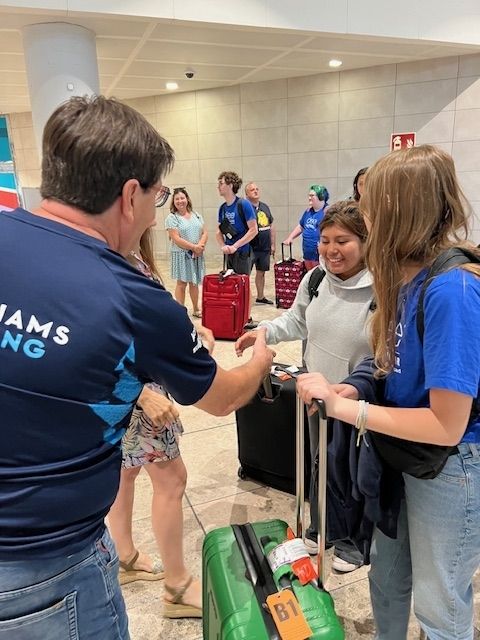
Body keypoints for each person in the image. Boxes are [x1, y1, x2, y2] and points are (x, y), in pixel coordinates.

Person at [0, 95, 274, 640]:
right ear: (130, 195)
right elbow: (220, 397)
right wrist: (262, 359)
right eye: (154, 197)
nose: (155, 211)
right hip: (47, 569)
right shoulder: (133, 297)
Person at [296, 145, 480, 640]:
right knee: (388, 578)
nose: (367, 219)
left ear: (401, 210)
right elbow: (390, 367)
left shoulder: (452, 290)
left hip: (451, 467)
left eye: (372, 207)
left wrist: (349, 411)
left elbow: (447, 423)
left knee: (440, 605)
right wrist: (353, 387)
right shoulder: (406, 279)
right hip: (404, 457)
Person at [236, 199, 373, 572]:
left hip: (357, 399)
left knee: (355, 469)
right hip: (315, 394)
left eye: (342, 240)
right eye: (325, 240)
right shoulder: (314, 281)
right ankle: (322, 524)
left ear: (365, 240)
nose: (331, 249)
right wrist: (263, 330)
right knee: (320, 461)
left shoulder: (382, 289)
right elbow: (296, 321)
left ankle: (354, 541)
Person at [108, 228, 209, 618]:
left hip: (134, 390)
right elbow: (98, 338)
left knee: (125, 474)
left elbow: (149, 322)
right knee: (172, 479)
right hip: (136, 393)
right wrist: (141, 394)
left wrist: (189, 331)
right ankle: (177, 587)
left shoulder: (132, 255)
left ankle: (126, 557)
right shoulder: (112, 260)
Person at [165, 187, 207, 318]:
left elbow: (205, 232)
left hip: (196, 254)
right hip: (182, 255)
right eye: (177, 199)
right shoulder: (172, 218)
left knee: (194, 283)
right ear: (173, 202)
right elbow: (176, 238)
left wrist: (200, 246)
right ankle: (180, 311)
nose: (180, 201)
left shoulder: (197, 215)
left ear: (187, 199)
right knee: (182, 283)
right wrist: (194, 247)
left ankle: (196, 309)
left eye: (182, 198)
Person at [216, 170, 258, 275]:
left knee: (243, 284)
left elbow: (254, 230)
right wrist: (223, 246)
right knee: (232, 285)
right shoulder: (222, 208)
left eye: (221, 183)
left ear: (230, 185)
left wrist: (236, 246)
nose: (218, 187)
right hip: (229, 253)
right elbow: (218, 231)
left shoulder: (244, 204)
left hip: (242, 253)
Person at [284, 184, 329, 271]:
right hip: (307, 250)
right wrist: (290, 237)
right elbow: (301, 226)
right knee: (310, 275)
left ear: (321, 196)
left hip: (319, 253)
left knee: (319, 275)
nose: (309, 198)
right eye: (309, 195)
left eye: (312, 195)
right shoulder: (308, 211)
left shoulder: (326, 211)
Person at [245, 181, 276, 305]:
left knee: (261, 272)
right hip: (250, 248)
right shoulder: (245, 208)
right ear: (246, 194)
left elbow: (271, 225)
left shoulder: (264, 207)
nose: (256, 191)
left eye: (257, 189)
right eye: (252, 190)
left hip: (264, 247)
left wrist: (272, 244)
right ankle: (245, 298)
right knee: (245, 274)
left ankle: (260, 296)